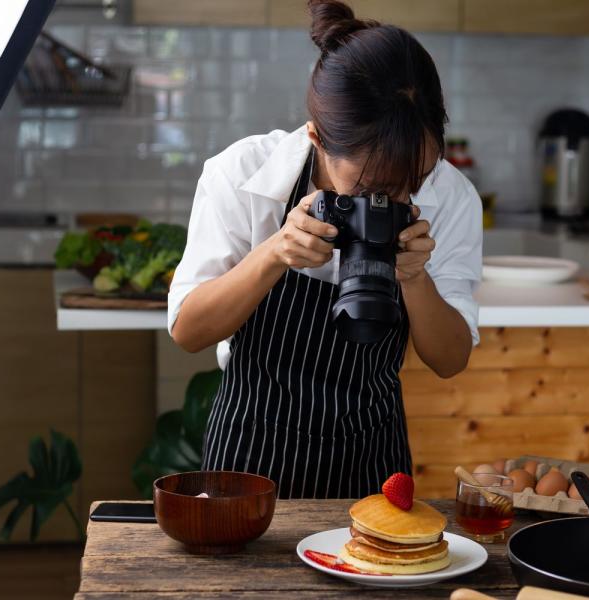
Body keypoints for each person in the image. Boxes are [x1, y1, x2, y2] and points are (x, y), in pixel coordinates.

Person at [168, 0, 482, 499]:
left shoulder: (451, 195)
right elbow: (189, 330)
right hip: (251, 451)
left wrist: (416, 279)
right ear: (317, 139)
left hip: (371, 454)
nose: (393, 199)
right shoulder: (244, 174)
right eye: (373, 185)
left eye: (412, 182)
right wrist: (274, 253)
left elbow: (450, 359)